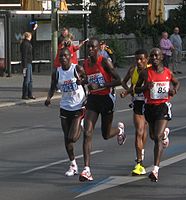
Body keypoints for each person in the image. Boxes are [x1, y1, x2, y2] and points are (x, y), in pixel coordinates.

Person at [79, 38, 126, 182]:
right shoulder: (85, 63)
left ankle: (119, 130)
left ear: (99, 47)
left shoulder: (104, 61)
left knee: (106, 134)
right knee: (87, 133)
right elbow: (89, 79)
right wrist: (84, 81)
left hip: (106, 99)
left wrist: (101, 85)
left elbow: (119, 80)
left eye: (93, 47)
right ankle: (87, 169)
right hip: (93, 100)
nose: (90, 49)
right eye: (88, 47)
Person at [135, 48, 180, 182]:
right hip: (149, 107)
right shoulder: (145, 73)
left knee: (158, 137)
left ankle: (155, 169)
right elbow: (136, 88)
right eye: (152, 55)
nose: (154, 57)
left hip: (163, 107)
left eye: (157, 55)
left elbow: (177, 83)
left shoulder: (167, 72)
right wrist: (144, 88)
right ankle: (164, 134)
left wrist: (174, 91)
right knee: (154, 136)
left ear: (161, 57)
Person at [44, 47, 87, 177]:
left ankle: (81, 122)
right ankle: (73, 164)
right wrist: (48, 98)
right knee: (67, 138)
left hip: (78, 106)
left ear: (70, 57)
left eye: (65, 56)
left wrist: (87, 95)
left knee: (72, 137)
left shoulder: (76, 69)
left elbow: (87, 80)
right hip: (65, 106)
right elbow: (53, 86)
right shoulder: (56, 72)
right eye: (60, 56)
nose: (62, 58)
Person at [120, 49, 149, 176]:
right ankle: (139, 162)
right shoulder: (133, 70)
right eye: (137, 59)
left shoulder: (151, 70)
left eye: (141, 59)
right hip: (137, 102)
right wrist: (128, 91)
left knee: (150, 132)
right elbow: (124, 82)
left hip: (151, 104)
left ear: (146, 59)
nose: (139, 61)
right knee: (139, 131)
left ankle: (163, 135)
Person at [20, 32, 35, 100]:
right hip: (27, 63)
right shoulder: (25, 44)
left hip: (29, 63)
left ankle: (30, 94)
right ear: (28, 36)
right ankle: (25, 95)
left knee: (30, 80)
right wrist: (24, 66)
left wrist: (34, 29)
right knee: (27, 79)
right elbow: (24, 55)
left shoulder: (26, 43)